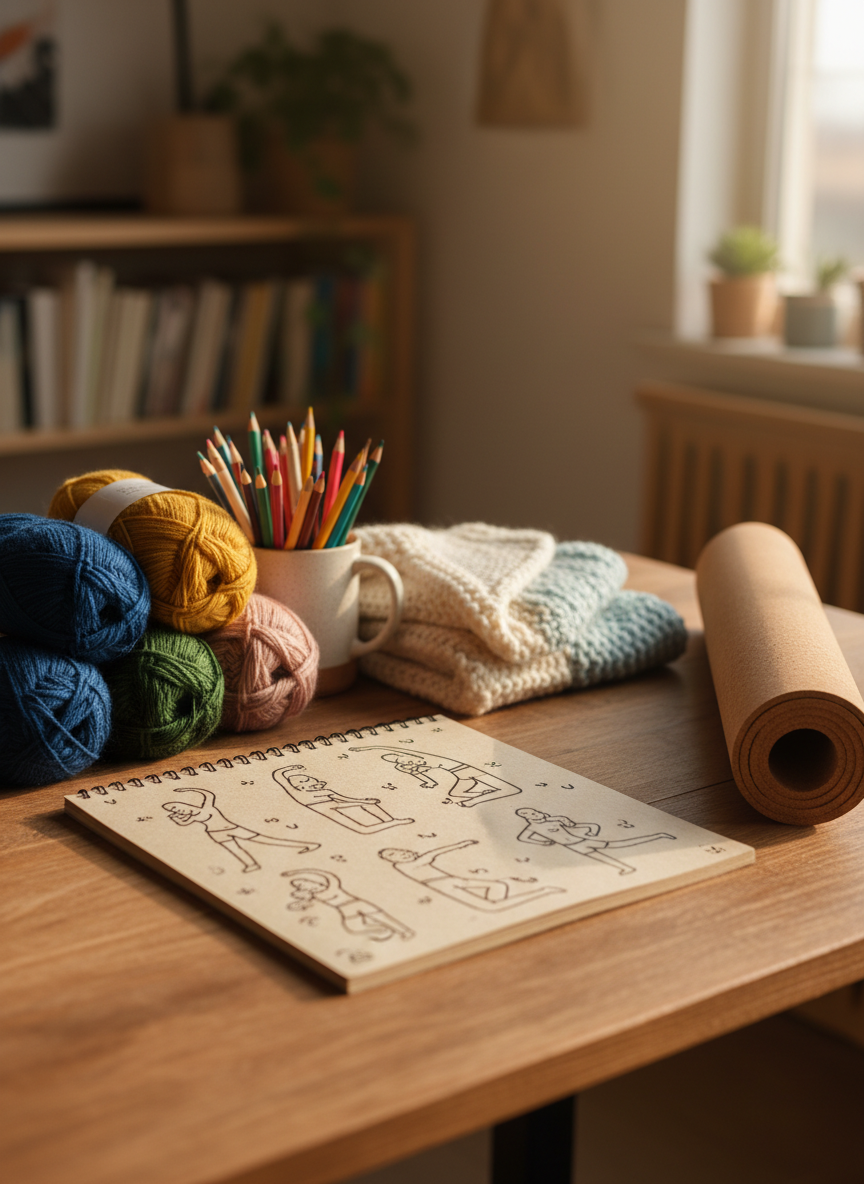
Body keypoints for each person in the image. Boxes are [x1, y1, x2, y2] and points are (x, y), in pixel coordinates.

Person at [162, 788, 318, 873]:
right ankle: (251, 864)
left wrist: (190, 789)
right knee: (236, 850)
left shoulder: (206, 808)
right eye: (173, 810)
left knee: (265, 840)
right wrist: (175, 818)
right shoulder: (192, 817)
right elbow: (183, 824)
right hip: (216, 834)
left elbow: (208, 794)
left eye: (175, 807)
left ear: (185, 805)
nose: (177, 811)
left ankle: (306, 845)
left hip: (231, 828)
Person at [379, 840, 563, 911]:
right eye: (393, 855)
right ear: (391, 860)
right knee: (490, 907)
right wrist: (461, 844)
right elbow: (433, 853)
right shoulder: (406, 865)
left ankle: (507, 895)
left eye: (399, 850)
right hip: (441, 885)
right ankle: (543, 892)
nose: (401, 854)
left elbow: (430, 855)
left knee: (498, 887)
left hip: (454, 880)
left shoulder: (413, 861)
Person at [514, 807, 675, 875]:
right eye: (532, 814)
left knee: (620, 844)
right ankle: (626, 868)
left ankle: (659, 836)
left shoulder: (556, 819)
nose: (537, 814)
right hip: (573, 846)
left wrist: (591, 832)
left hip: (581, 840)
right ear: (526, 817)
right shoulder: (533, 828)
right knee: (600, 858)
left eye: (536, 812)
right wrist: (542, 843)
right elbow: (523, 837)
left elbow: (585, 825)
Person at [351, 746, 522, 807]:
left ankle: (479, 799)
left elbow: (382, 747)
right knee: (456, 794)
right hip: (461, 776)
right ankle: (482, 797)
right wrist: (429, 783)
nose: (399, 759)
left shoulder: (416, 756)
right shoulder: (407, 766)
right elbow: (423, 777)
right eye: (395, 760)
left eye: (398, 756)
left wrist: (363, 749)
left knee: (510, 789)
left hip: (466, 769)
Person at [284, 870, 414, 941]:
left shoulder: (330, 888)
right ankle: (381, 930)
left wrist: (298, 872)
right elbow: (301, 897)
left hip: (357, 904)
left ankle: (405, 931)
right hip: (346, 910)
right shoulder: (315, 895)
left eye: (303, 883)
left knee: (381, 917)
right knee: (353, 928)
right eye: (299, 886)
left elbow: (328, 876)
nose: (302, 886)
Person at [273, 769, 413, 832]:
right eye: (302, 781)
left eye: (309, 780)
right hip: (325, 808)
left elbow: (345, 799)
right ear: (296, 786)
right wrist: (287, 769)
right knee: (356, 820)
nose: (308, 782)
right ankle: (365, 828)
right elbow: (280, 778)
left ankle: (390, 820)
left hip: (337, 804)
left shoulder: (327, 791)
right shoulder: (296, 793)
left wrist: (364, 801)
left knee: (370, 804)